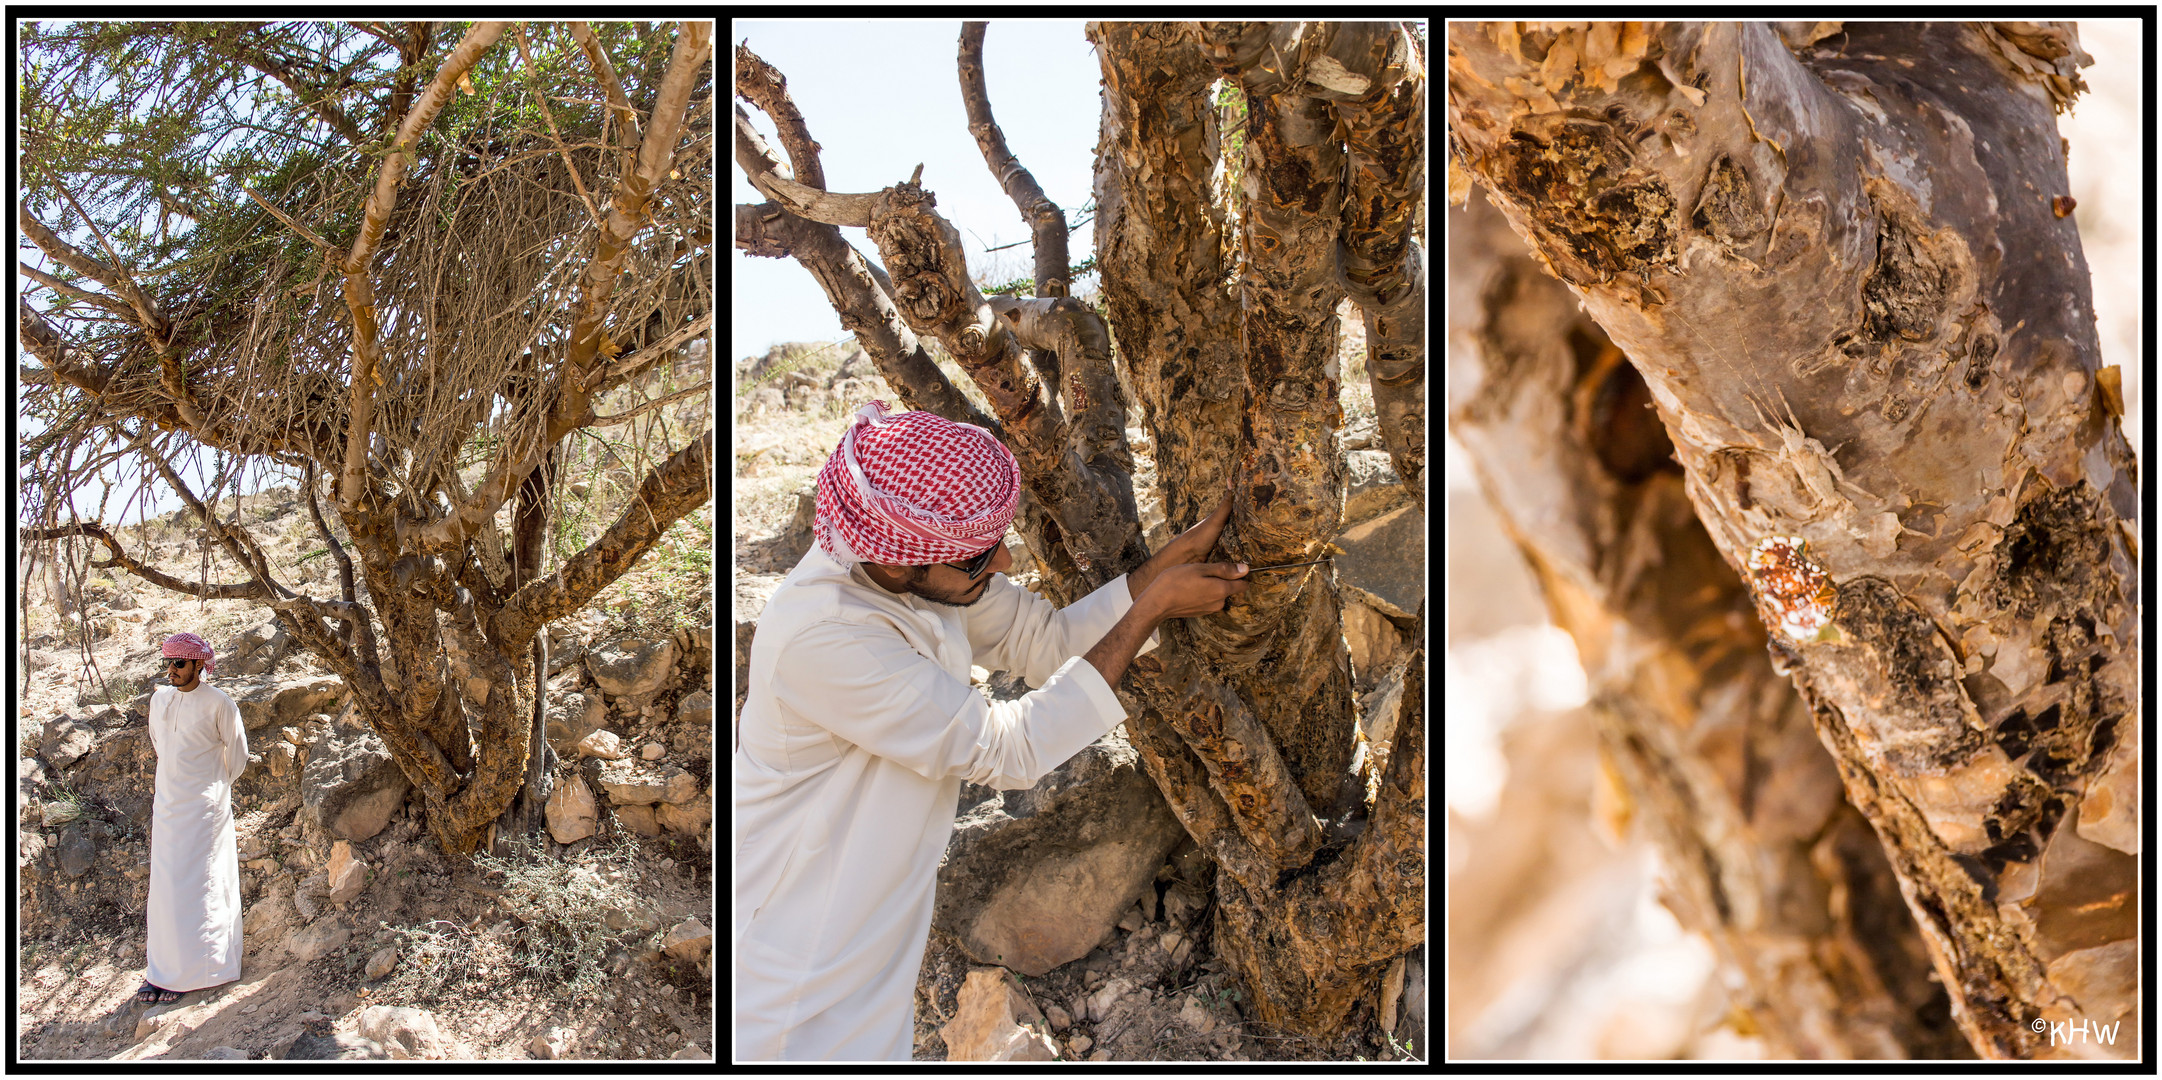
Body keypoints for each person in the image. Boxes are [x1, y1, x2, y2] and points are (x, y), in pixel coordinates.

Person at [735, 401, 1249, 1061]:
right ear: (901, 563)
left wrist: (1157, 572)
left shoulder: (921, 571)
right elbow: (1011, 748)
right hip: (796, 963)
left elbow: (1048, 642)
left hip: (872, 931)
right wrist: (1151, 609)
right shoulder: (826, 635)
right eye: (979, 556)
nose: (1002, 560)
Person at [138, 632, 248, 1005]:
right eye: (168, 662)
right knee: (166, 890)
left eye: (180, 663)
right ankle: (161, 971)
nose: (172, 670)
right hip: (168, 807)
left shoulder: (220, 703)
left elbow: (237, 756)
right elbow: (161, 746)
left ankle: (202, 972)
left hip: (204, 811)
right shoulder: (160, 700)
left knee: (199, 888)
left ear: (200, 665)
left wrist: (211, 790)